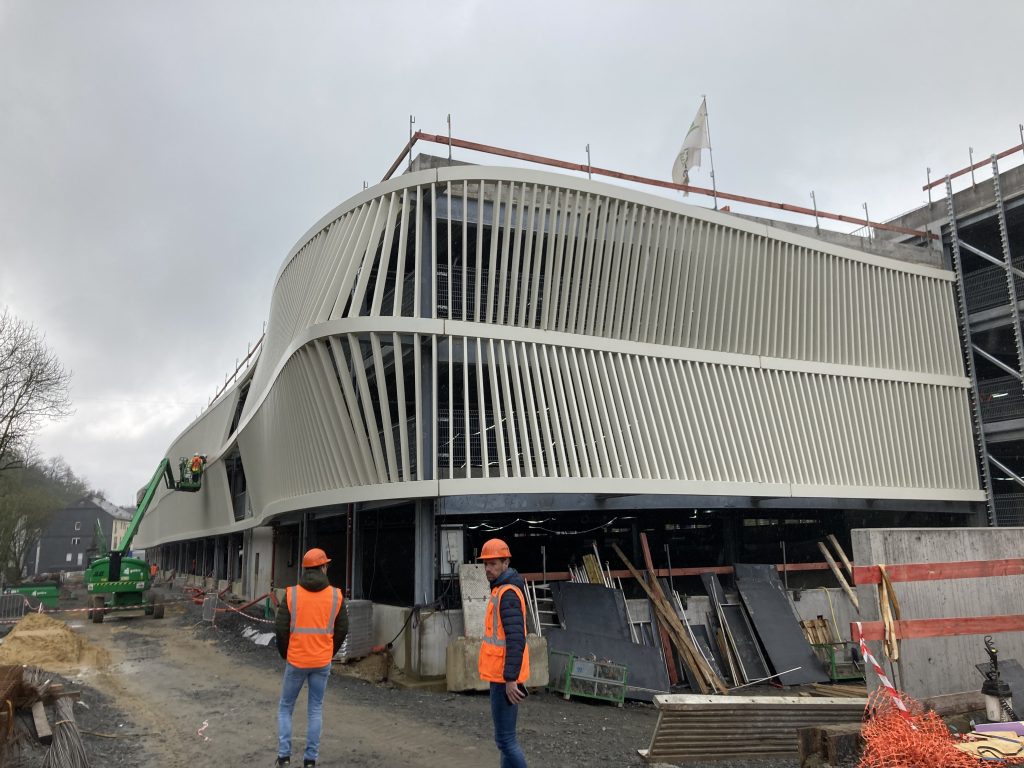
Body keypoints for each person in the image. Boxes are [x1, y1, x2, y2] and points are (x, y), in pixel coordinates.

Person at [274, 547, 348, 767]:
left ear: (305, 569)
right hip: (321, 662)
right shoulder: (336, 595)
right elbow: (342, 628)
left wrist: (286, 653)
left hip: (296, 660)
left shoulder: (292, 593)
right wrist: (328, 652)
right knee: (315, 709)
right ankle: (310, 760)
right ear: (323, 567)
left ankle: (284, 757)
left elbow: (280, 629)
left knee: (286, 707)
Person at [478, 538, 530, 768]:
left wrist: (511, 679)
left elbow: (516, 640)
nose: (488, 568)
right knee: (505, 740)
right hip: (501, 675)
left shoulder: (507, 593)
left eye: (493, 563)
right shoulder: (502, 589)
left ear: (505, 562)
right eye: (485, 564)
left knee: (505, 741)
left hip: (504, 677)